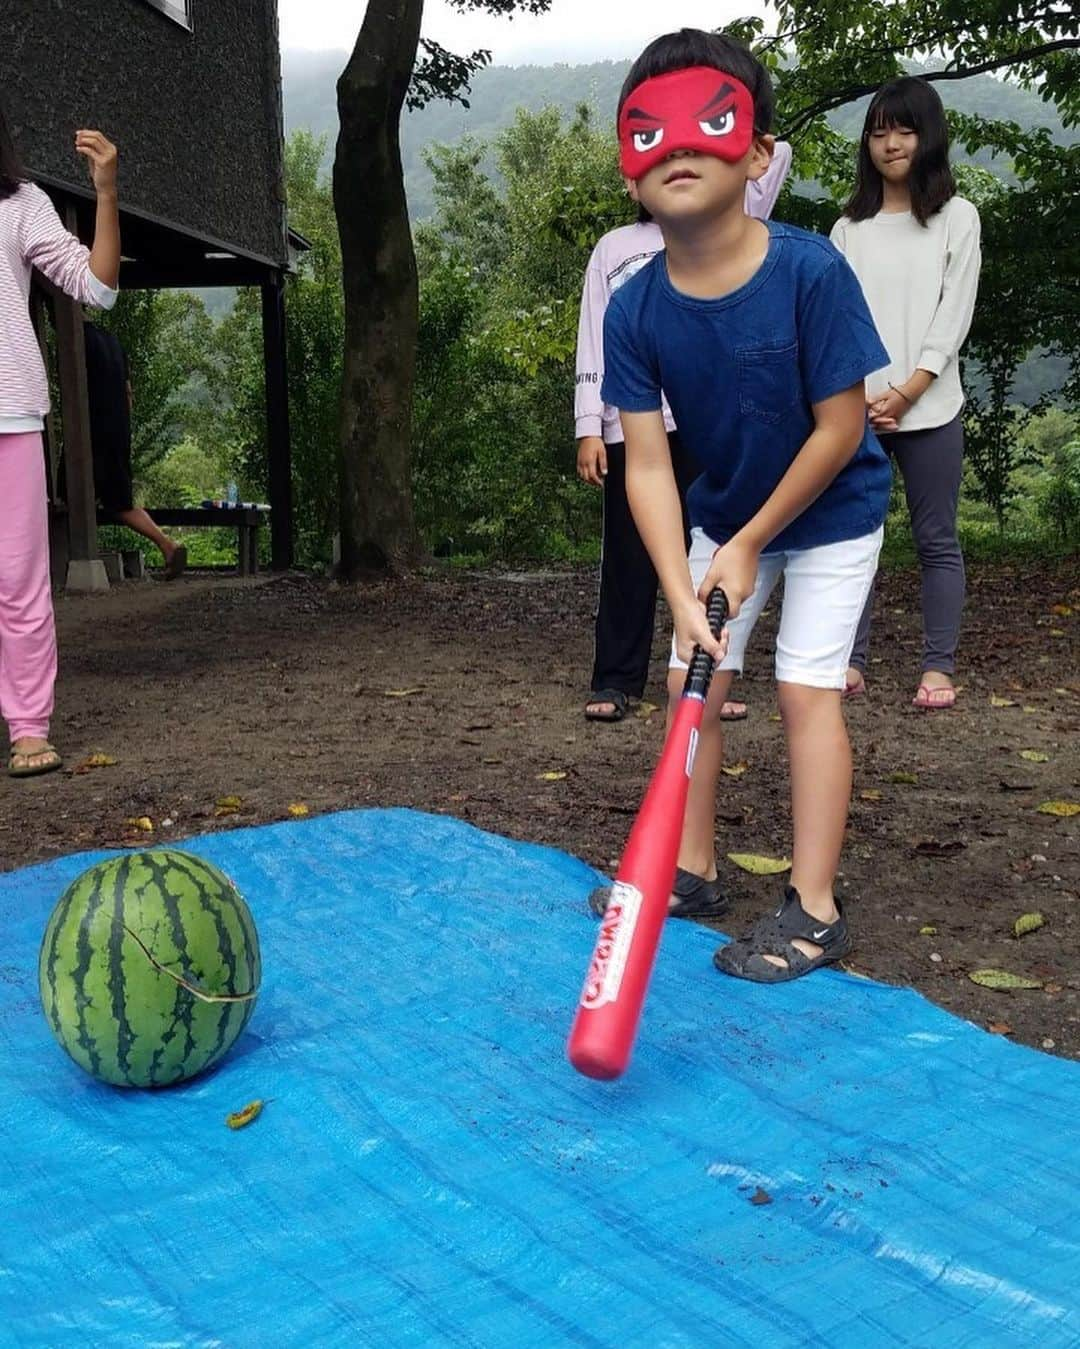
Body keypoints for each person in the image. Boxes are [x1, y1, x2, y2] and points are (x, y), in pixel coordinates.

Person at [596, 29, 893, 981]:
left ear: (757, 152)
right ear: (629, 166)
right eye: (653, 134)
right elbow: (645, 464)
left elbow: (841, 426)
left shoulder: (810, 273)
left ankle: (813, 906)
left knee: (806, 689)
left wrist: (753, 541)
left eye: (706, 125)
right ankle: (692, 868)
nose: (678, 149)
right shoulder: (634, 307)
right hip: (724, 515)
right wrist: (683, 589)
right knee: (698, 687)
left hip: (833, 512)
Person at [576, 139, 792, 724]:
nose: (675, 168)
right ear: (632, 180)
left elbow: (777, 153)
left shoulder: (729, 232)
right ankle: (616, 678)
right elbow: (593, 335)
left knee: (714, 546)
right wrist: (588, 424)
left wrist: (712, 118)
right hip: (631, 424)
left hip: (710, 418)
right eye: (656, 156)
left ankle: (712, 673)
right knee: (629, 555)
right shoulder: (614, 249)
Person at [831, 77, 981, 710]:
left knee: (936, 540)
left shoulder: (957, 217)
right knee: (850, 540)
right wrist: (859, 398)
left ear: (928, 135)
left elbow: (954, 313)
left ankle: (938, 667)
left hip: (932, 405)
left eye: (904, 129)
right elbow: (835, 322)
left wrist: (911, 389)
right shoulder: (848, 229)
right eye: (878, 130)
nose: (890, 143)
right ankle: (848, 661)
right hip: (854, 411)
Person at [0, 105, 120, 777]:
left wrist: (105, 192)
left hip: (9, 415)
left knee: (17, 582)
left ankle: (26, 728)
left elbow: (96, 287)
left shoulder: (20, 204)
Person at [83, 319, 187, 579]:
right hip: (118, 430)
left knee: (112, 503)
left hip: (95, 433)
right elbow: (128, 394)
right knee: (118, 499)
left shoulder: (79, 340)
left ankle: (167, 545)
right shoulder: (112, 341)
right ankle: (167, 545)